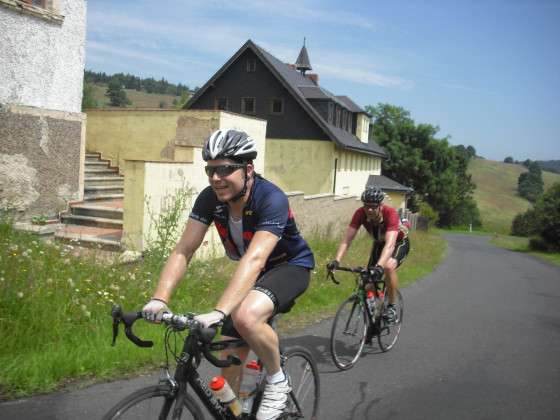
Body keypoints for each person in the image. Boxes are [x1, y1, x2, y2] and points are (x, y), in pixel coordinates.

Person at [142, 129, 315, 420]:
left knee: (244, 316)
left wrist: (220, 311)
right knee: (230, 361)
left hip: (290, 266)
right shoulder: (210, 199)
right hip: (254, 271)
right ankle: (235, 413)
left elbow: (256, 258)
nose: (215, 177)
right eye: (210, 169)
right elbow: (184, 250)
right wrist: (159, 298)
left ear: (248, 169)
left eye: (225, 169)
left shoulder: (271, 198)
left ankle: (277, 382)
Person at [327, 186, 410, 325]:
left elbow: (390, 245)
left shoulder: (390, 214)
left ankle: (391, 307)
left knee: (388, 267)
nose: (369, 210)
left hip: (398, 243)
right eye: (366, 206)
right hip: (379, 244)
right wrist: (336, 260)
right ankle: (374, 315)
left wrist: (379, 266)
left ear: (380, 205)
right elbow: (347, 239)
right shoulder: (360, 213)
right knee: (368, 283)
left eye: (372, 206)